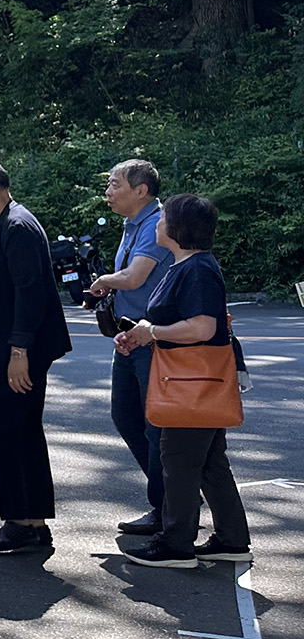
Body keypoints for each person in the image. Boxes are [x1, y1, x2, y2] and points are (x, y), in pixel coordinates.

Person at [113, 194, 253, 569]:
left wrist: (152, 332)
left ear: (176, 229)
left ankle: (177, 544)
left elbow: (203, 326)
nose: (157, 222)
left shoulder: (197, 269)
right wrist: (143, 332)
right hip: (196, 378)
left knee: (178, 459)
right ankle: (232, 539)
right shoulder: (189, 265)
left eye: (164, 218)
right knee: (208, 462)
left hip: (191, 381)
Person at [0, 157, 72, 553]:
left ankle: (20, 522)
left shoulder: (17, 225)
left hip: (18, 350)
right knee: (20, 432)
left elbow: (31, 292)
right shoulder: (6, 223)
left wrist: (17, 349)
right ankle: (31, 521)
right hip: (4, 345)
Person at [85, 160, 171, 536]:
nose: (108, 191)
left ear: (141, 190)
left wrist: (103, 280)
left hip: (153, 341)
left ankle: (167, 507)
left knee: (155, 426)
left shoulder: (157, 223)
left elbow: (135, 278)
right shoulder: (131, 223)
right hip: (129, 337)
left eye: (115, 184)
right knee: (125, 415)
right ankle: (174, 494)